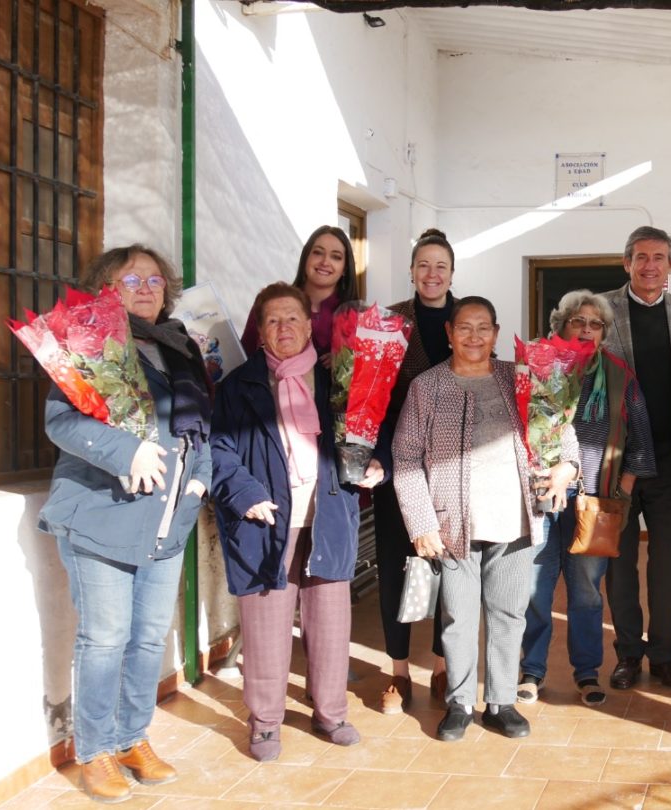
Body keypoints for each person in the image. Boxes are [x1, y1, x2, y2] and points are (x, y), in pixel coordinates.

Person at [39, 246, 212, 803]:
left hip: (168, 518)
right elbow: (60, 420)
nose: (146, 287)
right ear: (105, 288)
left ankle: (131, 738)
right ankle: (93, 753)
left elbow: (200, 427)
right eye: (131, 278)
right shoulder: (88, 344)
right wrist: (123, 452)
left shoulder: (180, 347)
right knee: (106, 639)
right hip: (103, 513)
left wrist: (200, 476)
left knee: (146, 640)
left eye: (155, 279)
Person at [391, 296, 580, 742]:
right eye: (464, 328)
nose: (474, 337)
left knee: (509, 613)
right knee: (457, 617)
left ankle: (500, 702)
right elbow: (403, 457)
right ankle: (458, 703)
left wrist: (567, 467)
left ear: (496, 333)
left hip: (517, 519)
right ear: (449, 333)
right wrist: (421, 524)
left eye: (483, 328)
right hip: (451, 525)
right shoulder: (427, 386)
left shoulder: (521, 378)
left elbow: (562, 432)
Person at [210, 283, 384, 762]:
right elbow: (219, 450)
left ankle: (331, 712)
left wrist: (375, 462)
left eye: (292, 318)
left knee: (329, 620)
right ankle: (266, 723)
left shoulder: (338, 381)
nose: (284, 328)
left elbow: (371, 430)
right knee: (265, 621)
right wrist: (245, 493)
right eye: (272, 321)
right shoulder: (239, 386)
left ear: (310, 326)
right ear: (260, 331)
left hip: (327, 511)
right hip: (265, 519)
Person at [518, 290, 658, 708]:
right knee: (535, 587)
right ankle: (532, 671)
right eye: (578, 321)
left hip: (595, 499)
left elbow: (641, 442)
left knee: (586, 592)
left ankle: (586, 672)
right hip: (542, 495)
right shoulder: (538, 367)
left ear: (604, 333)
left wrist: (621, 496)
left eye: (594, 324)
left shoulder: (620, 374)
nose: (586, 329)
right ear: (561, 324)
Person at [599, 226, 671, 691]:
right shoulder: (601, 310)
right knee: (619, 562)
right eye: (641, 257)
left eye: (659, 257)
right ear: (627, 263)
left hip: (669, 461)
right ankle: (627, 654)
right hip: (617, 463)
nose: (650, 265)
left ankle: (664, 653)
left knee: (667, 562)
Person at [374, 228, 457, 714]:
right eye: (423, 265)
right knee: (395, 566)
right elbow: (372, 395)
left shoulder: (470, 318)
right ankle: (398, 671)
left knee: (450, 568)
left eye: (440, 266)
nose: (431, 274)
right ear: (411, 272)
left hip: (452, 465)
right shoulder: (389, 322)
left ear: (451, 273)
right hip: (396, 461)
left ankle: (443, 665)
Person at [239, 225, 361, 359]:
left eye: (336, 257)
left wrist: (346, 364)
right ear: (306, 257)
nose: (325, 262)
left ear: (345, 268)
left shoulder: (357, 316)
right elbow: (243, 356)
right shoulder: (271, 302)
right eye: (318, 252)